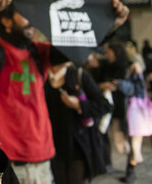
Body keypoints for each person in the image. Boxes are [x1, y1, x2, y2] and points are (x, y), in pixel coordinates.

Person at [0, 0, 129, 184]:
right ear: (6, 21)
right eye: (25, 15)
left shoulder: (38, 51)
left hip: (43, 157)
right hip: (7, 160)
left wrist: (110, 24)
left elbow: (76, 44)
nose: (32, 22)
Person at [45, 49, 111, 184]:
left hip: (78, 145)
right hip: (52, 145)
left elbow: (105, 105)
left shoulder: (78, 75)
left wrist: (79, 105)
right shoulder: (42, 78)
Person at [96, 40, 144, 183]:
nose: (107, 54)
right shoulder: (106, 67)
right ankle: (109, 164)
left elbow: (138, 89)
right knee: (118, 142)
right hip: (111, 109)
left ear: (115, 52)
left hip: (128, 110)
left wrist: (120, 84)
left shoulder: (129, 67)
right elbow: (96, 83)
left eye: (109, 51)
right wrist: (102, 86)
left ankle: (131, 169)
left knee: (132, 141)